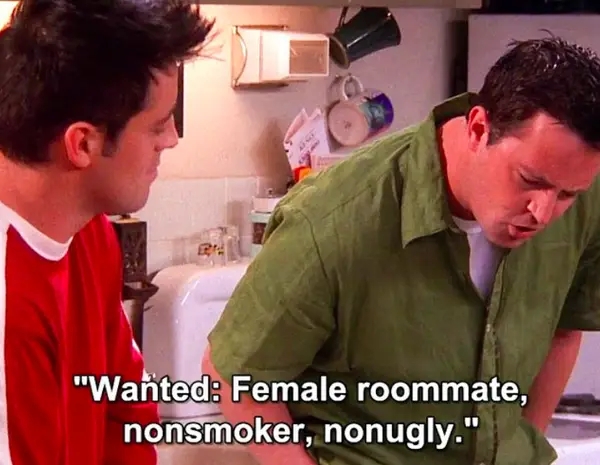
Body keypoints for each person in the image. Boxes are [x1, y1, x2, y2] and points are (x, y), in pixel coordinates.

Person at [203, 36, 600, 465]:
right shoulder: (332, 220)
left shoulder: (580, 191)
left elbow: (565, 328)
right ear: (478, 129)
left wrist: (524, 445)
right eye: (529, 180)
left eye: (567, 194)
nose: (543, 211)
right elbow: (233, 376)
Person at [0, 1, 213, 464]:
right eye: (158, 125)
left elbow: (124, 404)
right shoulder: (8, 307)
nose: (172, 139)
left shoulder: (90, 231)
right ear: (83, 143)